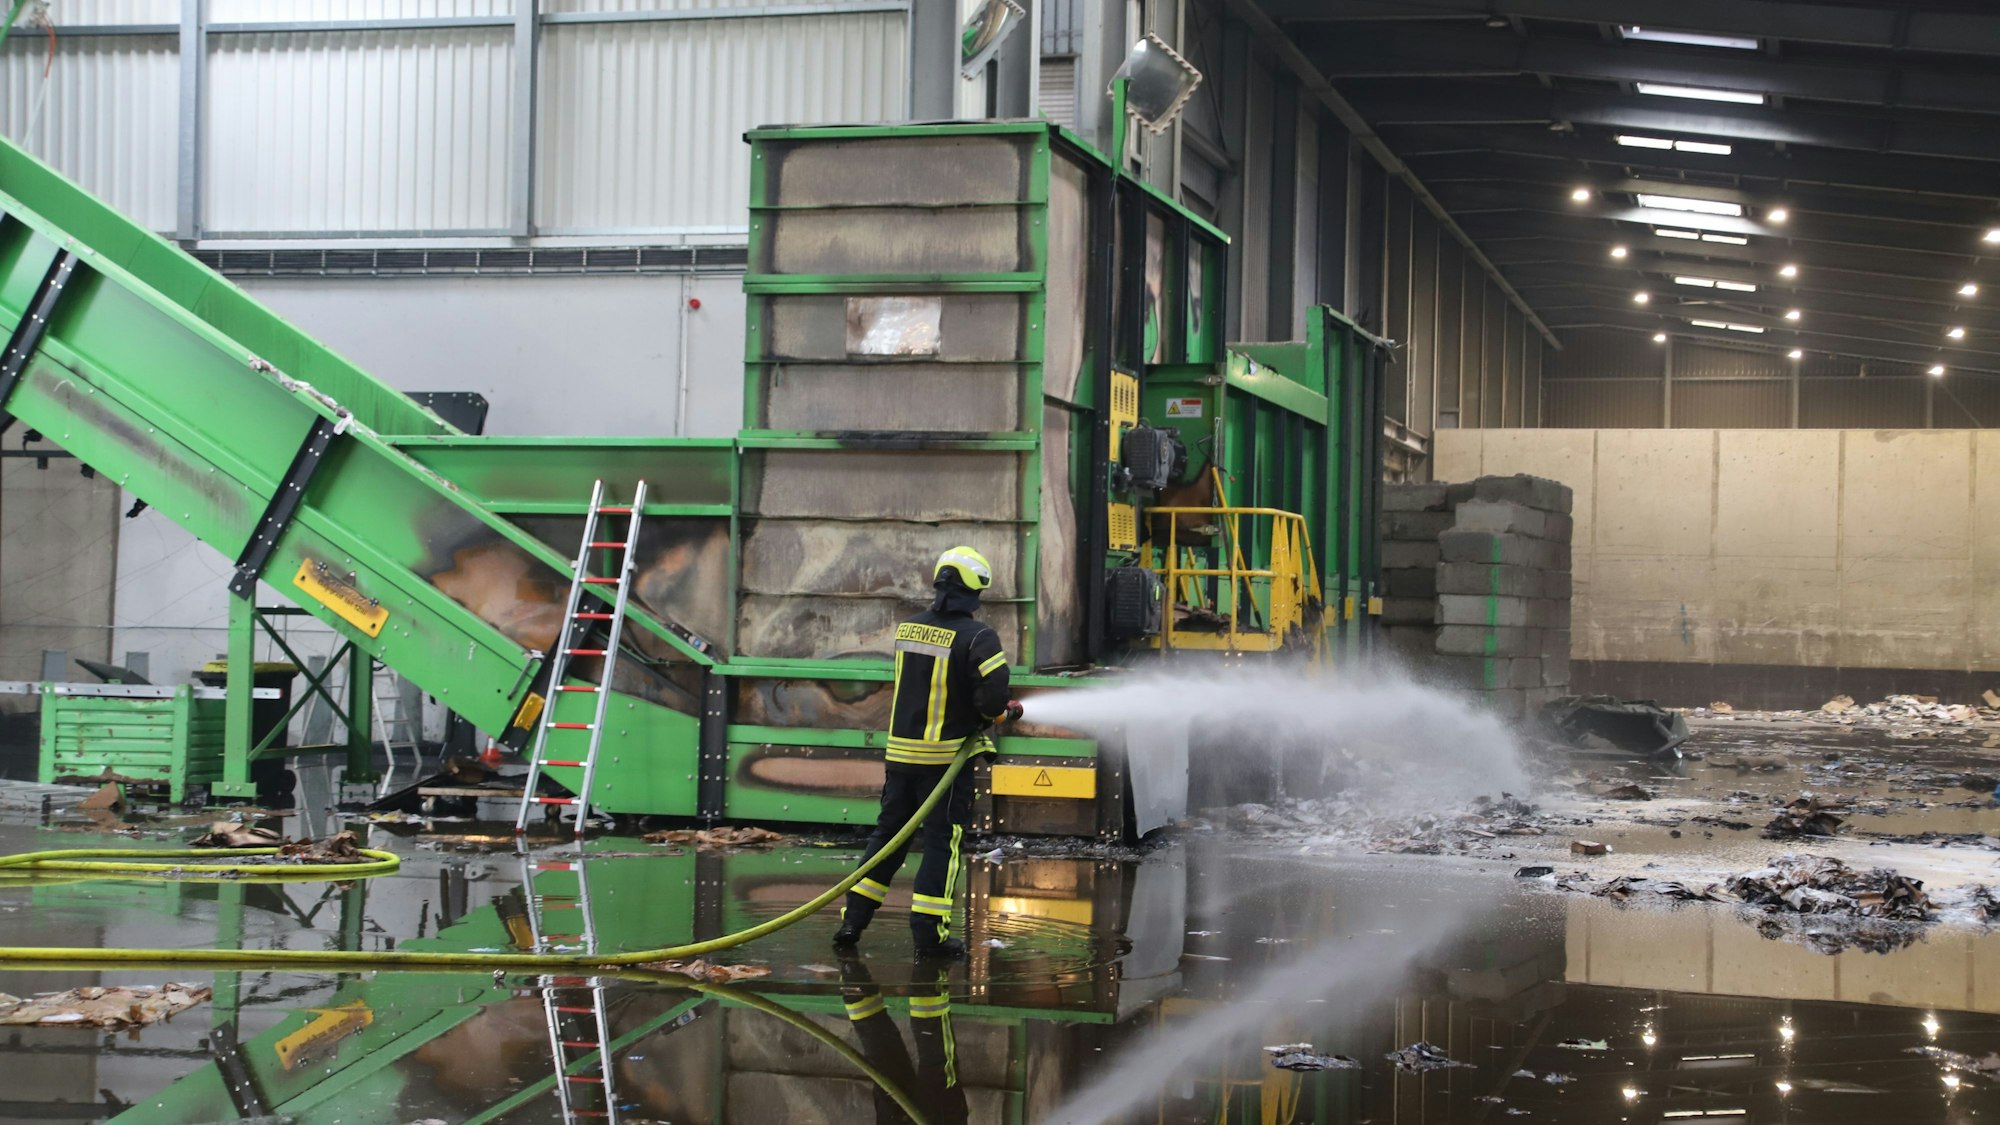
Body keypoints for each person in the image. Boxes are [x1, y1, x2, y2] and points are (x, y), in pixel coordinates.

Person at [834, 545, 1023, 959]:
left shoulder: (908, 630)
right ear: (975, 590)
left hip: (900, 759)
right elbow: (992, 701)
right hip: (944, 765)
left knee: (888, 839)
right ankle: (930, 936)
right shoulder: (980, 638)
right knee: (942, 843)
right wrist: (998, 713)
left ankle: (853, 920)